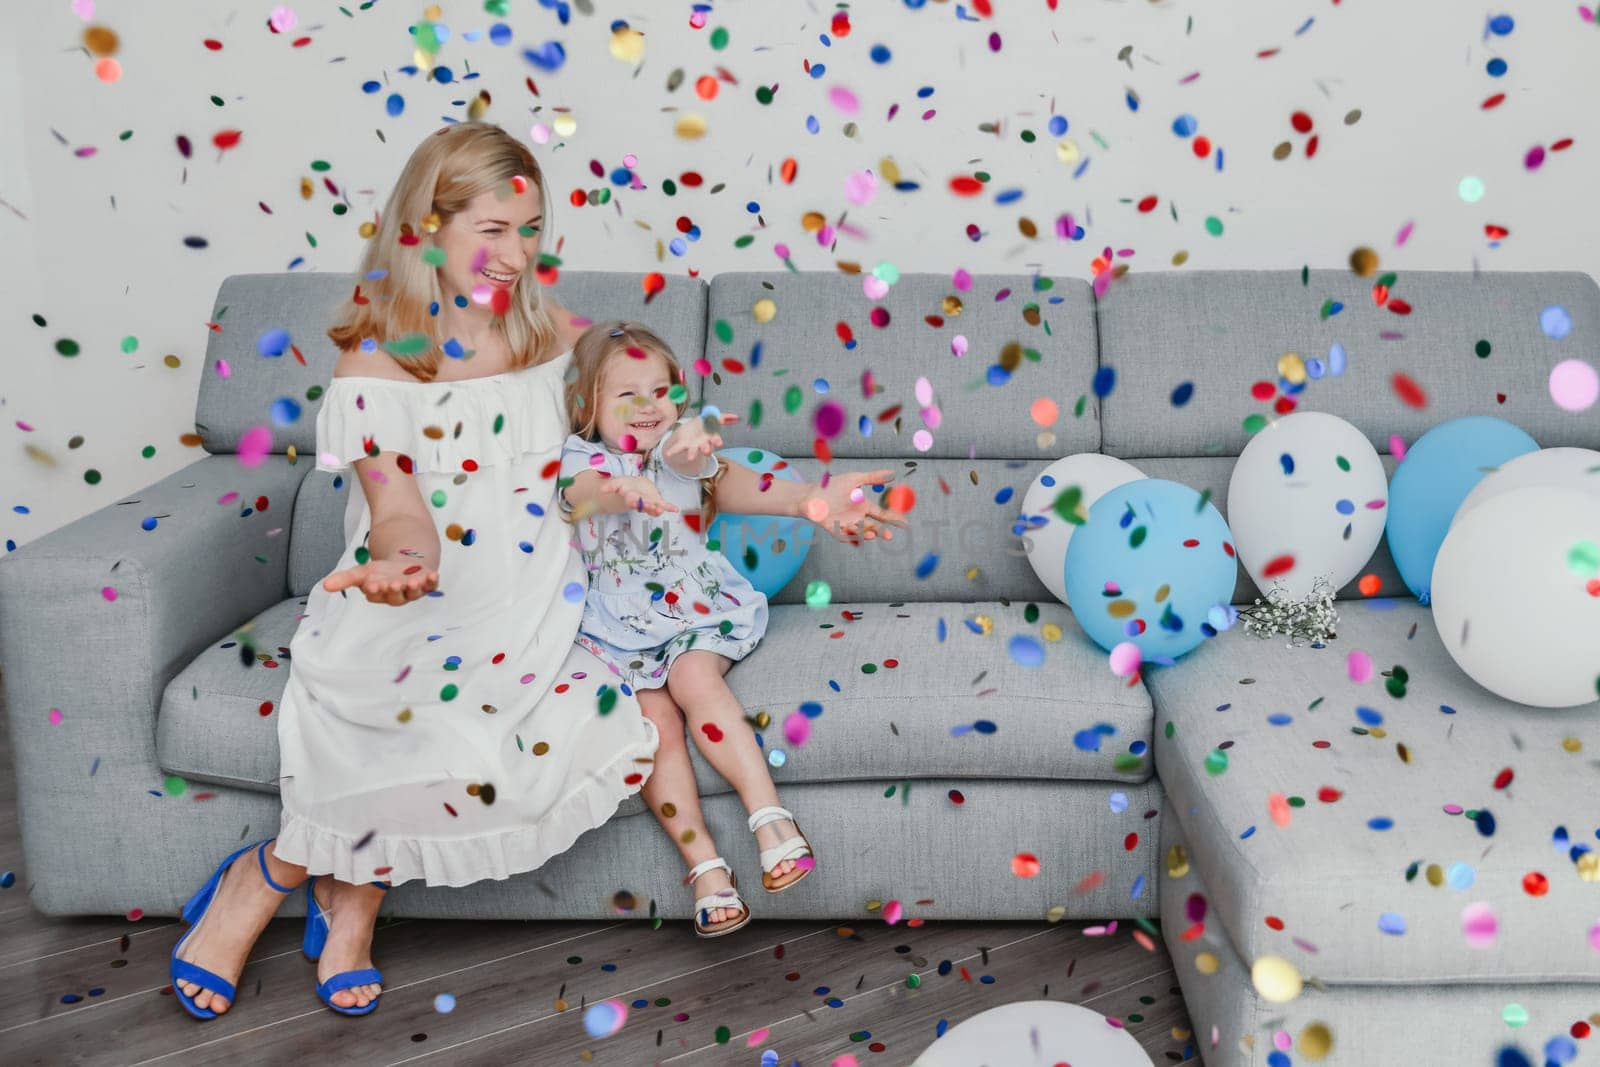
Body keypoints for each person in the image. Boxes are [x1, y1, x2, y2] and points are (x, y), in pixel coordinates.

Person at [167, 121, 906, 1019]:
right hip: (422, 592)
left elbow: (666, 454)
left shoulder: (557, 337)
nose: (516, 254)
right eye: (491, 230)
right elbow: (397, 505)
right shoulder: (376, 358)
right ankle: (294, 886)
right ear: (424, 228)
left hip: (547, 603)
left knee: (539, 739)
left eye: (529, 229)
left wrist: (813, 497)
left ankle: (310, 881)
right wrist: (403, 561)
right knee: (402, 713)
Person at [561, 322, 847, 936]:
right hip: (616, 631)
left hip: (693, 609)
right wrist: (622, 489)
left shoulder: (677, 444)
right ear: (586, 405)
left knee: (693, 679)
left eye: (660, 391)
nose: (648, 408)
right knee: (653, 722)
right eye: (626, 395)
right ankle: (707, 869)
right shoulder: (579, 459)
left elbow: (697, 460)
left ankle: (771, 819)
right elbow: (583, 492)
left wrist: (695, 452)